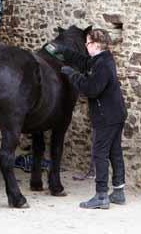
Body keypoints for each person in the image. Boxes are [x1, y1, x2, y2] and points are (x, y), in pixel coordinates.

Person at [52, 28, 127, 209]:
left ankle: (101, 195)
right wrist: (64, 52)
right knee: (115, 151)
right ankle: (118, 192)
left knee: (100, 153)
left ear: (94, 44)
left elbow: (91, 89)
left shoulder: (102, 65)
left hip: (106, 117)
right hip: (116, 113)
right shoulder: (102, 59)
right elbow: (84, 62)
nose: (86, 47)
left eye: (87, 43)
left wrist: (73, 75)